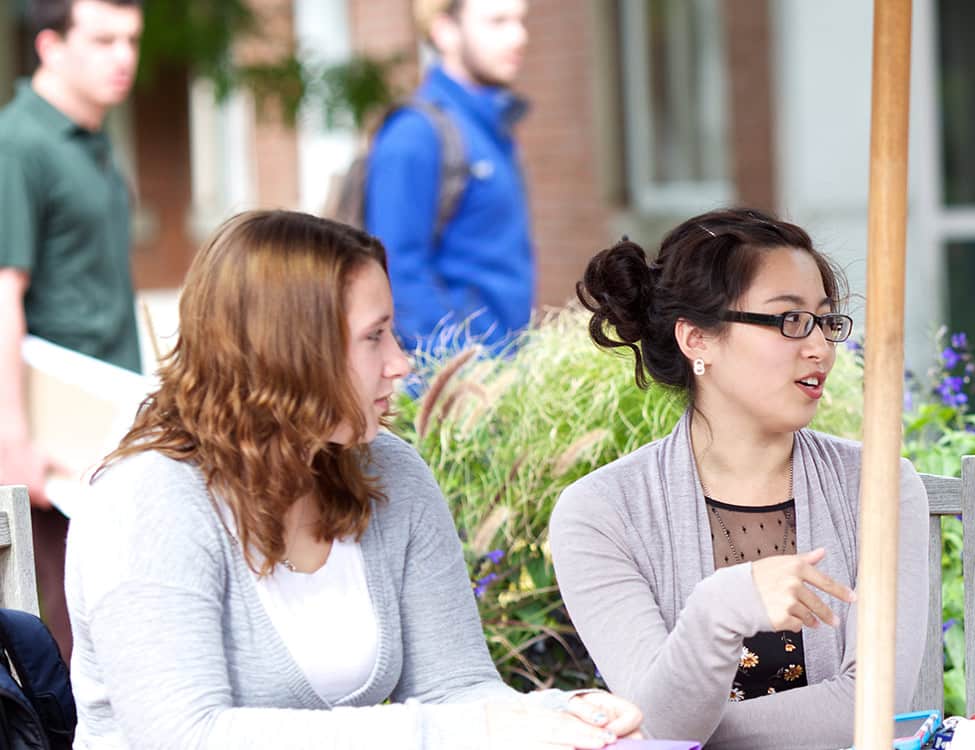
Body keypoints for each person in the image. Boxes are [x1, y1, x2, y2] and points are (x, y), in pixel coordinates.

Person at [70, 210, 644, 748]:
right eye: (375, 337)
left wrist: (558, 715)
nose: (401, 362)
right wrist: (434, 732)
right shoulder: (149, 499)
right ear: (288, 353)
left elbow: (458, 691)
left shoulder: (389, 472)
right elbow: (184, 737)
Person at [550, 208, 930, 749]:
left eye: (825, 320)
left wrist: (686, 732)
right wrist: (723, 606)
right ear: (697, 340)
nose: (820, 347)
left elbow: (873, 705)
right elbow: (660, 729)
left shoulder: (879, 486)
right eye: (789, 320)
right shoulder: (602, 514)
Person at [0, 0, 145, 659]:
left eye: (131, 40)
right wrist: (13, 439)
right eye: (104, 39)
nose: (124, 57)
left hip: (109, 433)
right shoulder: (17, 143)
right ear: (50, 46)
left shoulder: (97, 145)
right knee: (64, 653)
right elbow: (4, 292)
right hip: (49, 446)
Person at [365, 0, 533, 352]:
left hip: (508, 373)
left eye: (520, 20)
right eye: (498, 21)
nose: (519, 36)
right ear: (445, 31)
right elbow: (397, 273)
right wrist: (468, 378)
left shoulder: (492, 129)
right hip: (459, 390)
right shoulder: (415, 134)